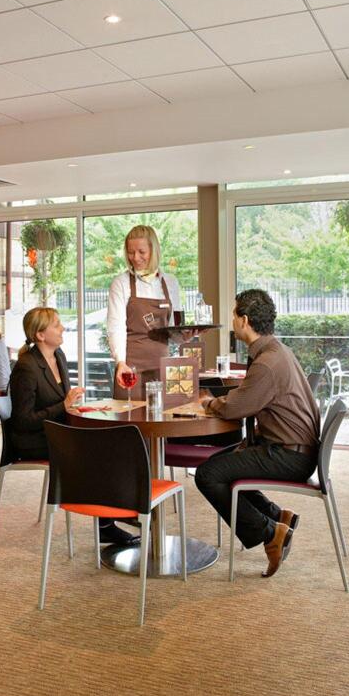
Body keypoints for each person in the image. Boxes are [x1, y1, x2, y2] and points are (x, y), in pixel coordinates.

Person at [195, 290, 320, 578]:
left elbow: (235, 408)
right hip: (295, 449)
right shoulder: (276, 351)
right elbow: (248, 398)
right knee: (224, 464)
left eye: (234, 315)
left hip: (289, 455)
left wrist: (208, 402)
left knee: (207, 475)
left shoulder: (266, 362)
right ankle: (278, 516)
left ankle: (271, 533)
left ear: (244, 320)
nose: (232, 321)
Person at [10, 307, 138, 545]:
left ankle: (118, 511)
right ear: (40, 335)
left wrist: (74, 407)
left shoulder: (58, 355)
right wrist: (64, 405)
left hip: (58, 431)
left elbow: (62, 403)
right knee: (98, 451)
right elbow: (23, 420)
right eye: (56, 325)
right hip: (32, 440)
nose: (62, 328)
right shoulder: (26, 367)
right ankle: (106, 524)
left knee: (114, 443)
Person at [106, 225, 181, 400]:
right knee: (128, 415)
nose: (135, 258)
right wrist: (120, 362)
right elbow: (115, 327)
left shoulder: (170, 282)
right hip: (130, 368)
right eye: (130, 252)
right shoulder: (121, 283)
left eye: (141, 252)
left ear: (154, 251)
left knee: (161, 416)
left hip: (162, 367)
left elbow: (174, 329)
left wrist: (185, 336)